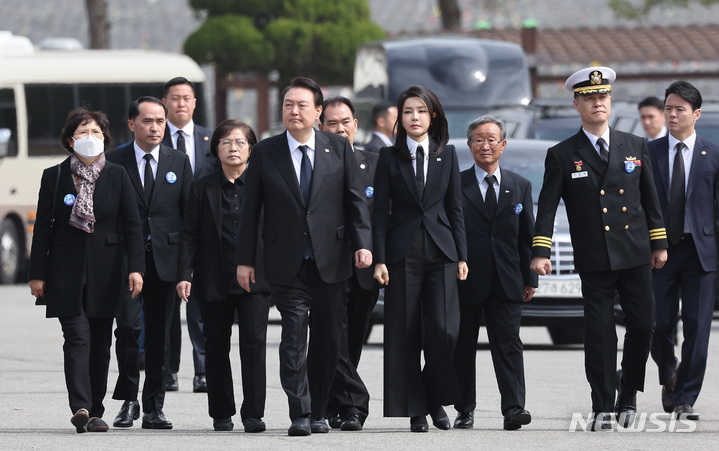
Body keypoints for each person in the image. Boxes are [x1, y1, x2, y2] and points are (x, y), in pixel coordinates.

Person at [530, 66, 668, 431]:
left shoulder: (633, 144)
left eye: (603, 97)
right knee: (599, 331)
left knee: (643, 325)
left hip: (636, 251)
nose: (597, 103)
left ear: (611, 101)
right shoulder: (562, 154)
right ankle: (603, 403)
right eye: (589, 98)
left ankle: (629, 393)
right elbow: (547, 206)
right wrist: (540, 251)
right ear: (576, 104)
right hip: (595, 256)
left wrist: (659, 243)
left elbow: (650, 199)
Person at [236, 77, 372, 437]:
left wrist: (363, 243)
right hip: (286, 261)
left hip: (331, 260)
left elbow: (355, 201)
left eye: (301, 106)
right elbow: (250, 210)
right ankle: (300, 411)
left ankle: (319, 410)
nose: (293, 111)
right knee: (293, 337)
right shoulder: (266, 151)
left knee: (329, 340)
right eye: (287, 105)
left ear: (317, 112)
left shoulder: (337, 148)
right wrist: (246, 260)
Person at [28, 107, 145, 433]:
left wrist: (136, 269)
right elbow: (43, 228)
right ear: (70, 139)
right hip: (65, 271)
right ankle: (79, 405)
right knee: (76, 337)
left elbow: (132, 226)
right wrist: (36, 274)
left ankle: (95, 410)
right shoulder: (54, 176)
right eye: (82, 132)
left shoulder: (118, 174)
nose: (89, 138)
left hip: (109, 270)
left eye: (95, 132)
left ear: (105, 138)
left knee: (99, 343)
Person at [372, 85, 468, 432]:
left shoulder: (449, 154)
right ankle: (415, 409)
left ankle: (431, 397)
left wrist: (461, 254)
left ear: (434, 116)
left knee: (445, 331)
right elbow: (379, 212)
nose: (414, 117)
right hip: (401, 254)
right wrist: (380, 258)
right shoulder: (389, 157)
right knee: (405, 333)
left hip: (442, 252)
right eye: (408, 111)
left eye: (421, 111)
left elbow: (455, 208)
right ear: (401, 117)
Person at [177, 120, 271, 432]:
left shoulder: (263, 186)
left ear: (250, 149)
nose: (233, 148)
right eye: (226, 142)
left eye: (240, 142)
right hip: (213, 279)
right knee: (216, 346)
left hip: (255, 280)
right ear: (215, 149)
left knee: (254, 346)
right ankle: (221, 411)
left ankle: (254, 413)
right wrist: (184, 274)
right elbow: (189, 234)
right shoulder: (202, 187)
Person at [107, 96, 193, 430]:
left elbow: (188, 219)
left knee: (160, 336)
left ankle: (154, 406)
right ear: (132, 124)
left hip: (166, 263)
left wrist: (186, 268)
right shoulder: (114, 161)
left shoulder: (178, 161)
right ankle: (128, 399)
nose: (155, 127)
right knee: (128, 329)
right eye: (147, 121)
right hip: (126, 262)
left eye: (160, 121)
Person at [453, 115, 537, 431]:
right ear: (469, 145)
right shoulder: (455, 184)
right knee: (462, 347)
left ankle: (514, 407)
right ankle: (464, 409)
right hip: (465, 278)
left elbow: (525, 236)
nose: (485, 145)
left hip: (507, 280)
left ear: (503, 145)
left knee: (509, 344)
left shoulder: (519, 185)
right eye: (478, 139)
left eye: (491, 139)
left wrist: (530, 278)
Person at [648, 81, 719, 421]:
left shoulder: (713, 154)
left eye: (680, 109)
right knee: (657, 325)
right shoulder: (649, 153)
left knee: (697, 326)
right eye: (669, 108)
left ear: (696, 114)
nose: (672, 114)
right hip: (659, 252)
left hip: (700, 252)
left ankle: (686, 398)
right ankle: (669, 373)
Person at [319, 96, 377, 430]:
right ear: (321, 126)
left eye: (345, 123)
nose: (339, 129)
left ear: (355, 125)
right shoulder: (316, 164)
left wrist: (381, 261)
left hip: (366, 270)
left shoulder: (374, 162)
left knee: (352, 339)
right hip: (326, 266)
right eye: (332, 123)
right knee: (331, 336)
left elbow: (382, 218)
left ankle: (334, 402)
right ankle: (353, 403)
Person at [161, 76, 217, 394]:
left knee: (201, 308)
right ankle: (169, 370)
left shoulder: (211, 140)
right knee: (169, 309)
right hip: (169, 237)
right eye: (175, 98)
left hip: (205, 239)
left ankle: (203, 370)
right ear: (165, 102)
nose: (181, 104)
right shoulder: (157, 140)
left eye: (186, 98)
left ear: (195, 103)